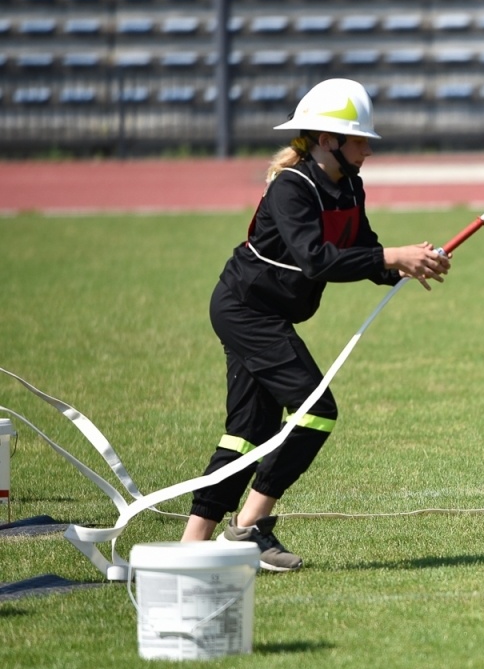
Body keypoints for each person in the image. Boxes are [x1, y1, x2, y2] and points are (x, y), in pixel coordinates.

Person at [179, 78, 450, 567]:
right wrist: (391, 256)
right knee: (316, 410)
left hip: (266, 313)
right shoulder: (291, 187)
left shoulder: (350, 185)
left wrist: (407, 266)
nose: (368, 150)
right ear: (328, 140)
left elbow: (363, 251)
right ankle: (248, 528)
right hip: (245, 309)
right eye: (360, 140)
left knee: (248, 432)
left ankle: (190, 549)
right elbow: (316, 260)